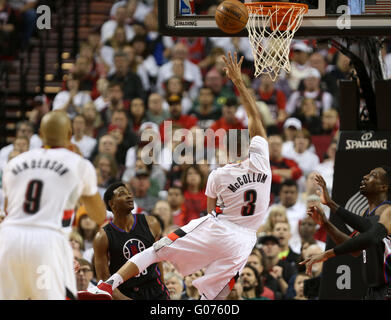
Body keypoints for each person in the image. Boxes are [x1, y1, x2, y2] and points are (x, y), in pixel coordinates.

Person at [78, 52, 271, 300]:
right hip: (245, 240)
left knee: (157, 250)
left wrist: (236, 82)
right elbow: (255, 118)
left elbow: (211, 211)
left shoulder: (220, 174)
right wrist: (240, 83)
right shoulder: (262, 162)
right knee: (216, 293)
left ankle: (107, 285)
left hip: (220, 227)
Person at [0, 110, 106, 299]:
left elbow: (9, 209)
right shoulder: (79, 164)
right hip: (46, 241)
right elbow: (98, 215)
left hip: (8, 240)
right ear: (69, 135)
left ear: (40, 134)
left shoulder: (14, 163)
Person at [301, 168, 391, 300]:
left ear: (384, 187)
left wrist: (327, 254)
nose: (365, 176)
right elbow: (354, 248)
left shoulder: (388, 210)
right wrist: (326, 224)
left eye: (373, 175)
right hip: (373, 290)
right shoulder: (366, 214)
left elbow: (371, 235)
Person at [86, 182, 169, 300]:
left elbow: (158, 259)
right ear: (111, 203)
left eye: (129, 193)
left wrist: (163, 285)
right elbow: (104, 279)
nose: (129, 196)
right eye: (122, 194)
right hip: (125, 292)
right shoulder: (102, 237)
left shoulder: (151, 223)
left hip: (155, 289)